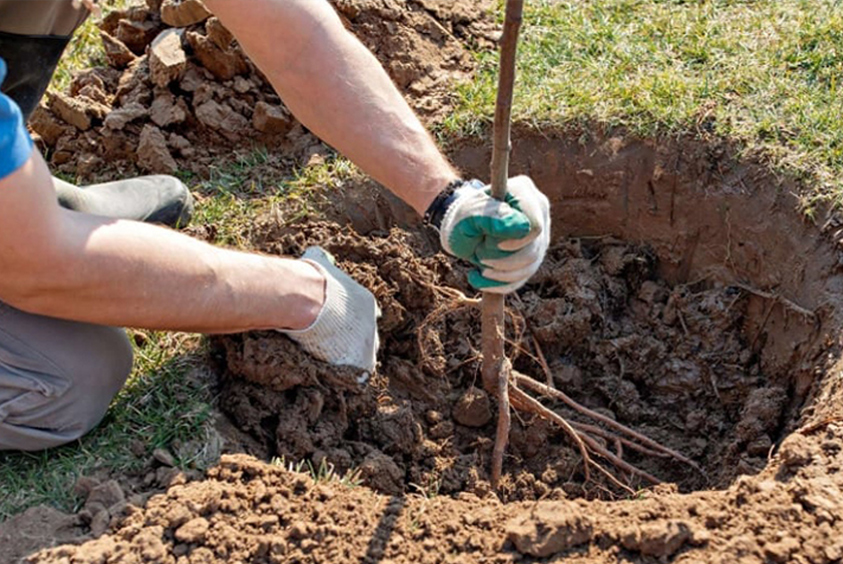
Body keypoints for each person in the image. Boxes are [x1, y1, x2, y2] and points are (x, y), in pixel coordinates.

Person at [0, 0, 551, 451]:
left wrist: (448, 198)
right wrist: (304, 298)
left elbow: (295, 37)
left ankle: (22, 186)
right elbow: (38, 264)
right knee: (72, 375)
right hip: (29, 255)